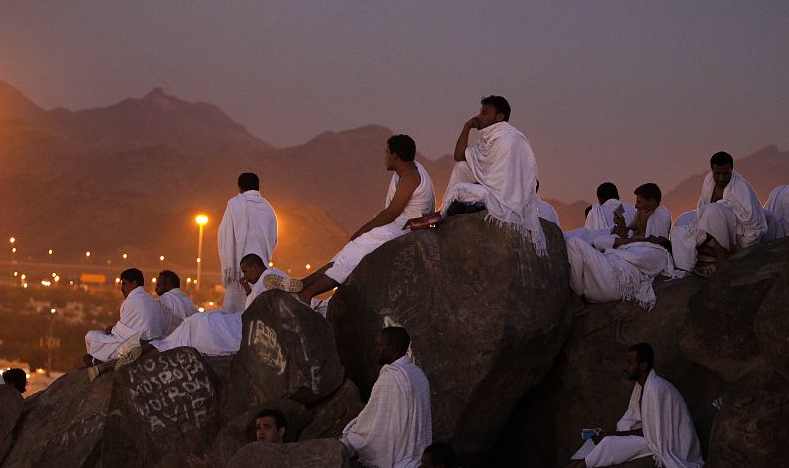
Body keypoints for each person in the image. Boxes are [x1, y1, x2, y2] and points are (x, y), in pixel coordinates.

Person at [267, 135, 434, 304]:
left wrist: (364, 229)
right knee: (345, 254)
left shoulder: (410, 178)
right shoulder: (407, 172)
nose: (384, 157)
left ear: (395, 156)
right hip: (397, 225)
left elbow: (392, 212)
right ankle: (303, 283)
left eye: (386, 153)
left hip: (403, 229)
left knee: (354, 253)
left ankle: (308, 293)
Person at [518, 344, 703, 468]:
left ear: (643, 366)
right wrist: (611, 432)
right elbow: (637, 419)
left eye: (630, 363)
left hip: (667, 444)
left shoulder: (656, 389)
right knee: (592, 441)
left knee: (607, 442)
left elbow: (654, 433)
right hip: (654, 436)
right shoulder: (642, 386)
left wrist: (612, 434)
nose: (625, 367)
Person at [87, 255, 286, 381]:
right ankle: (112, 364)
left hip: (200, 326)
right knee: (163, 345)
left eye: (245, 272)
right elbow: (251, 312)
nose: (156, 288)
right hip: (205, 325)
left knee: (162, 345)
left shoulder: (162, 301)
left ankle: (109, 364)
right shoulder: (184, 299)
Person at [438, 96, 547, 255]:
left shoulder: (509, 139)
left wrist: (479, 187)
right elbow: (459, 155)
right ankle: (453, 212)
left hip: (503, 199)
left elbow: (505, 184)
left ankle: (440, 218)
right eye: (480, 112)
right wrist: (466, 127)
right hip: (489, 187)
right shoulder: (488, 138)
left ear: (499, 117)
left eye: (485, 113)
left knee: (459, 189)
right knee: (461, 167)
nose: (479, 116)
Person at [341, 327, 432, 468]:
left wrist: (353, 435)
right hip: (420, 451)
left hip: (401, 458)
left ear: (393, 347)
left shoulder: (391, 378)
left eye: (381, 345)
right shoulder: (418, 374)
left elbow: (375, 423)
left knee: (352, 437)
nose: (377, 349)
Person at [566, 183, 680, 312]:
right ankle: (577, 291)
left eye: (639, 202)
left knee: (575, 243)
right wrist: (625, 237)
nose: (636, 206)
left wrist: (626, 242)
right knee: (575, 240)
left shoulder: (659, 253)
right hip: (605, 271)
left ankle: (575, 296)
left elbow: (637, 259)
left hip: (614, 281)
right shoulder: (640, 242)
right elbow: (599, 242)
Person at [670, 152, 767, 276]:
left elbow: (752, 223)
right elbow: (702, 207)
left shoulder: (741, 187)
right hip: (715, 232)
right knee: (679, 229)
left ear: (731, 169)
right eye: (717, 173)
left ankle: (721, 258)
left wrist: (747, 249)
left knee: (713, 210)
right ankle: (724, 255)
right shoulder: (708, 180)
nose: (721, 178)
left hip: (737, 236)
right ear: (712, 170)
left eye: (725, 173)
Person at [172, 408, 286, 468]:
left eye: (267, 427)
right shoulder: (253, 454)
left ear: (281, 431)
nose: (261, 432)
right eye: (258, 428)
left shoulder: (286, 458)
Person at [218, 171, 278, 312]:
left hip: (239, 271)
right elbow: (273, 239)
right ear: (258, 187)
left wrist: (230, 265)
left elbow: (224, 236)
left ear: (240, 188)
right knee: (260, 312)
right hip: (261, 270)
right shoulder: (268, 208)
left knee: (234, 317)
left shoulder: (234, 205)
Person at [84, 268, 165, 364]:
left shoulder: (132, 300)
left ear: (134, 283)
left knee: (91, 336)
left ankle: (97, 360)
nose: (121, 288)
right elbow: (129, 327)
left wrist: (112, 331)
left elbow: (122, 335)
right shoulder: (150, 299)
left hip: (139, 342)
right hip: (153, 340)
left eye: (124, 284)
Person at [155, 270, 197, 334]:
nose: (156, 289)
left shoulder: (163, 300)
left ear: (168, 285)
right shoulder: (186, 298)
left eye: (158, 285)